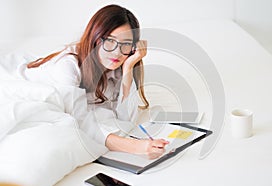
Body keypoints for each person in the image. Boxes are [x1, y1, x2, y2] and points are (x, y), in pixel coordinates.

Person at [21, 4, 169, 159]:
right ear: (95, 37)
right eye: (110, 41)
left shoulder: (117, 65)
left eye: (126, 44)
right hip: (27, 79)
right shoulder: (68, 66)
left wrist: (129, 67)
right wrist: (136, 147)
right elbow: (81, 123)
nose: (117, 52)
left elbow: (126, 120)